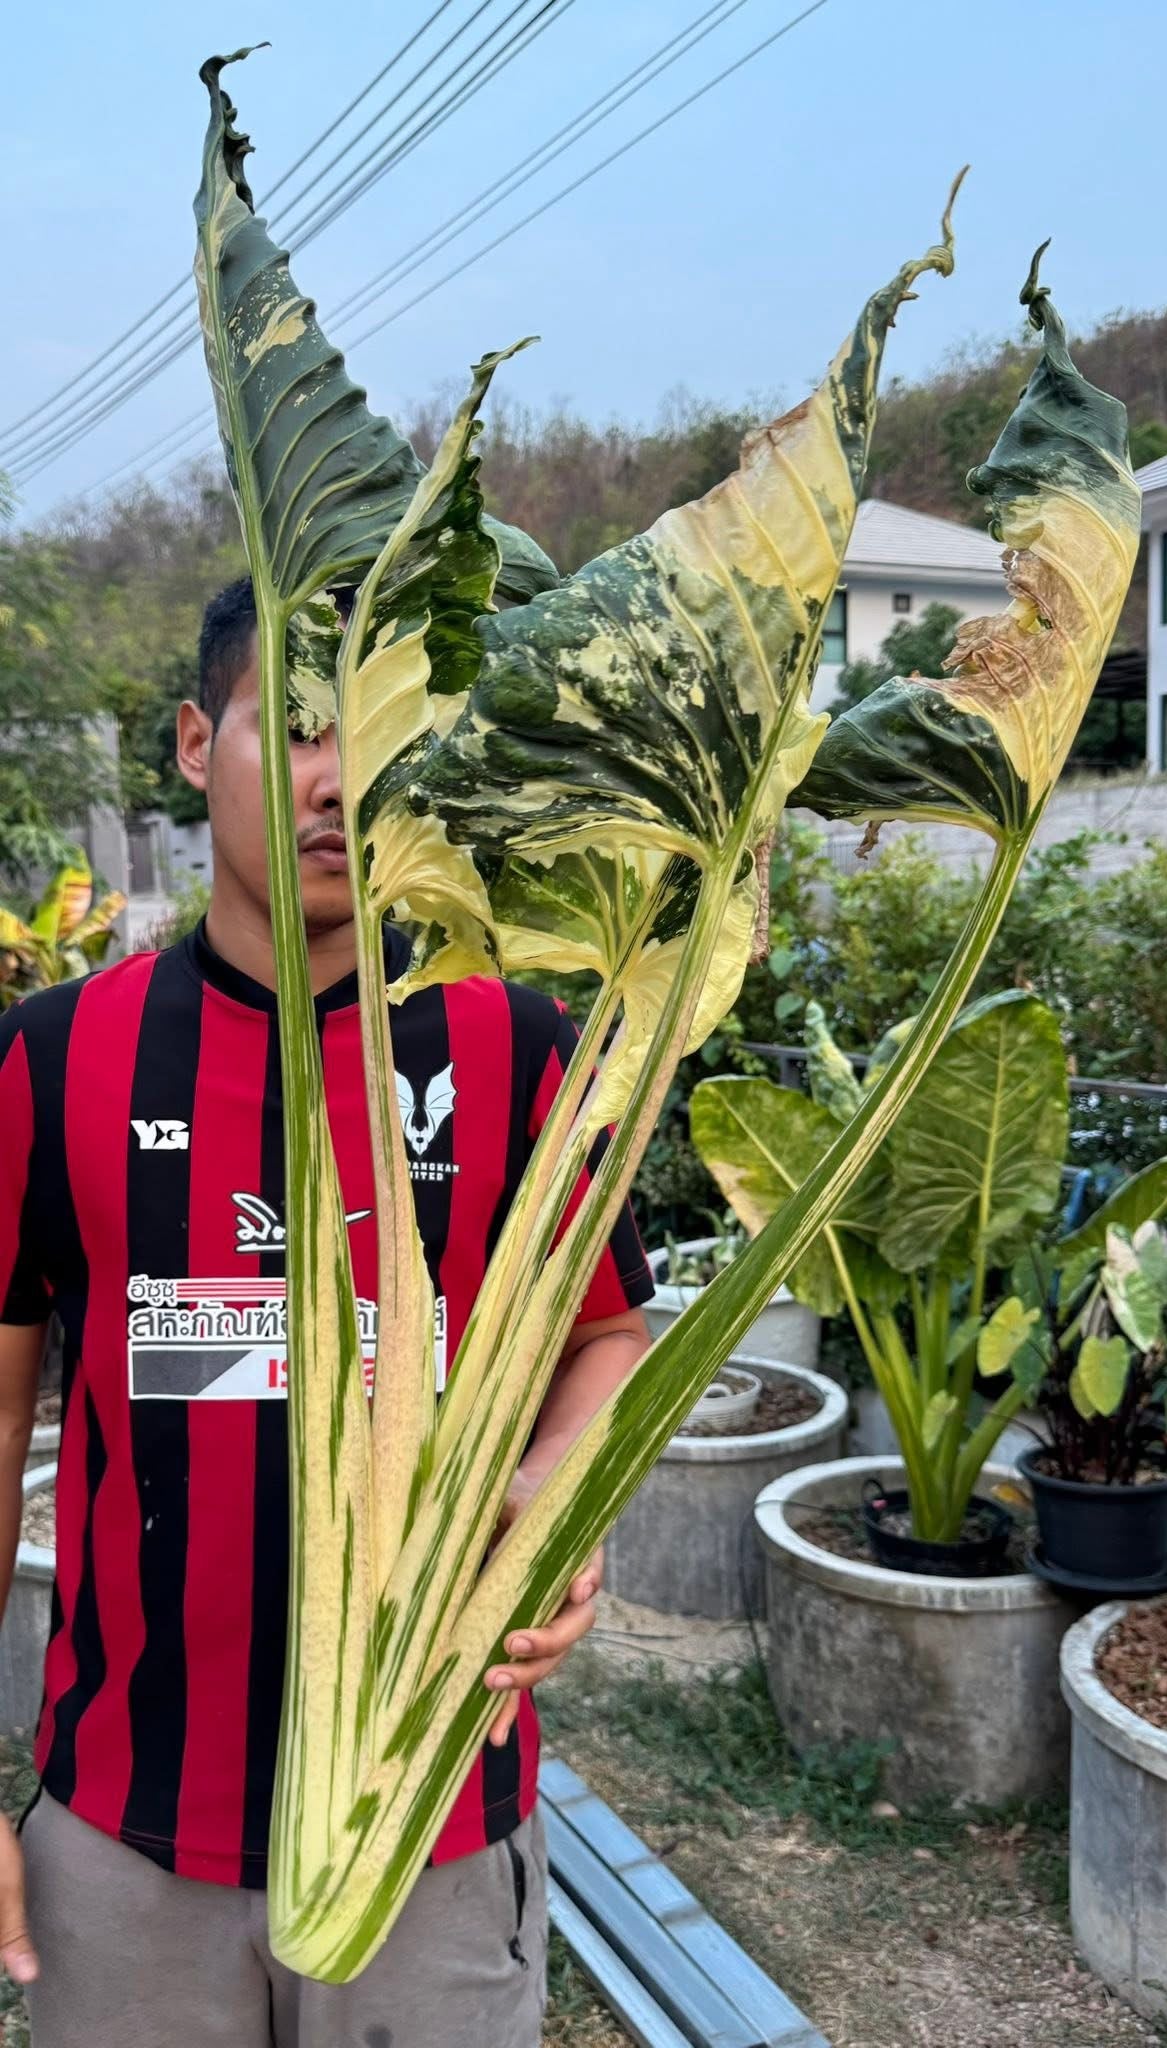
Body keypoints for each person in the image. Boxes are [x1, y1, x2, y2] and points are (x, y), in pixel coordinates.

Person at [0, 577, 653, 2046]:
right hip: (127, 1837)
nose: (341, 779)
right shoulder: (52, 1060)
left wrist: (556, 1492)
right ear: (194, 741)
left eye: (385, 734)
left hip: (434, 1820)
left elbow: (610, 1331)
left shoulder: (514, 1045)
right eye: (297, 725)